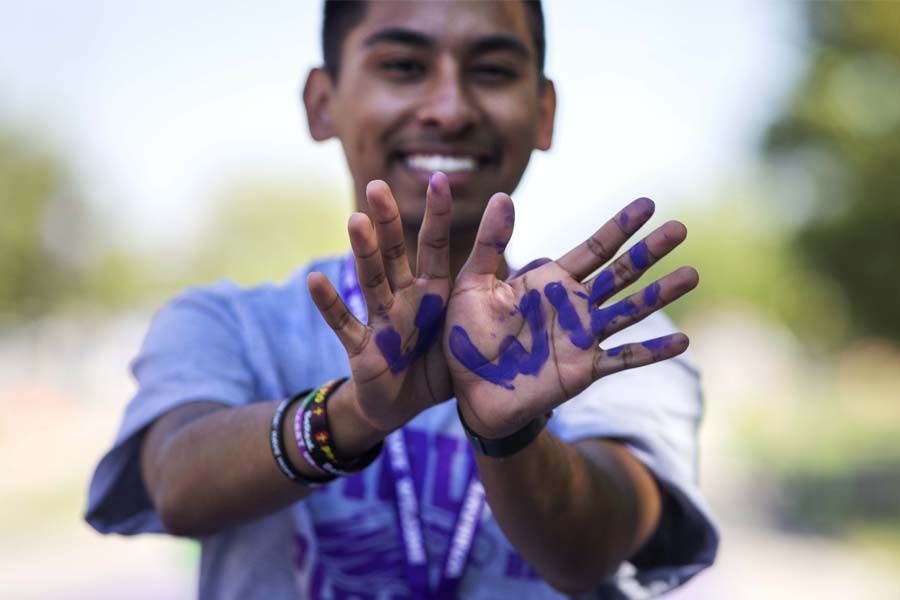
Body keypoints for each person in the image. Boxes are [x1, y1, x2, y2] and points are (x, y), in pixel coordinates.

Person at [86, 1, 718, 598]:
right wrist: (353, 415)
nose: (449, 108)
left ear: (543, 111)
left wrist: (511, 434)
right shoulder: (228, 325)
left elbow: (592, 551)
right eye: (403, 67)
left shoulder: (592, 340)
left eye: (493, 71)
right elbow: (176, 484)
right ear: (321, 103)